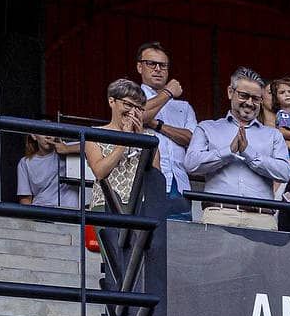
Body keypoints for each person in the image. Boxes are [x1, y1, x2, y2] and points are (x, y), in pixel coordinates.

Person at [184, 67, 290, 230]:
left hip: (262, 218)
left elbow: (284, 172)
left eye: (256, 98)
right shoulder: (207, 128)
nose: (249, 102)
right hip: (218, 213)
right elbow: (191, 164)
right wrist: (228, 152)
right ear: (230, 92)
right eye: (244, 95)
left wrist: (249, 153)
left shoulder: (273, 135)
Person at [85, 80, 160, 219]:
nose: (132, 112)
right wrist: (124, 140)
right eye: (128, 105)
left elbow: (155, 177)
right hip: (104, 204)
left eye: (138, 108)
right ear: (111, 101)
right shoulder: (94, 134)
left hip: (141, 206)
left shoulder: (150, 138)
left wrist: (140, 139)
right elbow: (100, 172)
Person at [135, 41, 196, 204]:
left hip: (179, 184)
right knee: (146, 229)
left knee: (183, 229)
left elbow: (192, 139)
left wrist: (157, 125)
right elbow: (139, 116)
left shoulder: (183, 107)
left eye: (163, 65)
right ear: (140, 67)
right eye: (151, 64)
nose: (157, 69)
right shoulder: (131, 97)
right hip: (143, 182)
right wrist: (168, 92)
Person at [17, 134, 81, 209]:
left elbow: (92, 146)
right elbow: (25, 199)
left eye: (51, 132)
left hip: (68, 212)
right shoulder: (25, 162)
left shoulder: (66, 148)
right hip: (40, 213)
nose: (48, 137)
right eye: (43, 133)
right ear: (34, 136)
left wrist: (67, 149)